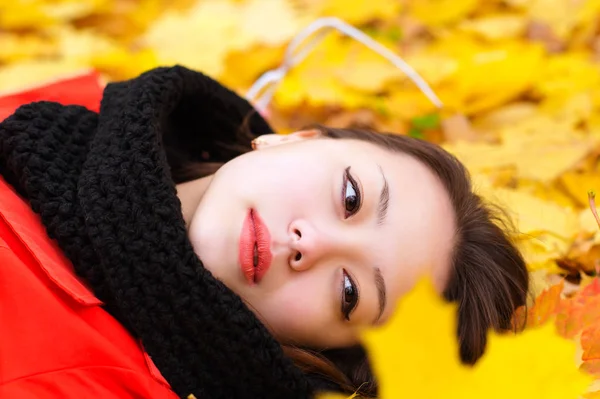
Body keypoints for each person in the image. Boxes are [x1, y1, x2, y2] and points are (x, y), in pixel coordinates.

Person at [0, 65, 529, 399]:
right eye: (351, 198)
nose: (311, 245)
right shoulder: (60, 105)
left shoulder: (86, 384)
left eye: (350, 293)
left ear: (322, 350)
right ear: (290, 139)